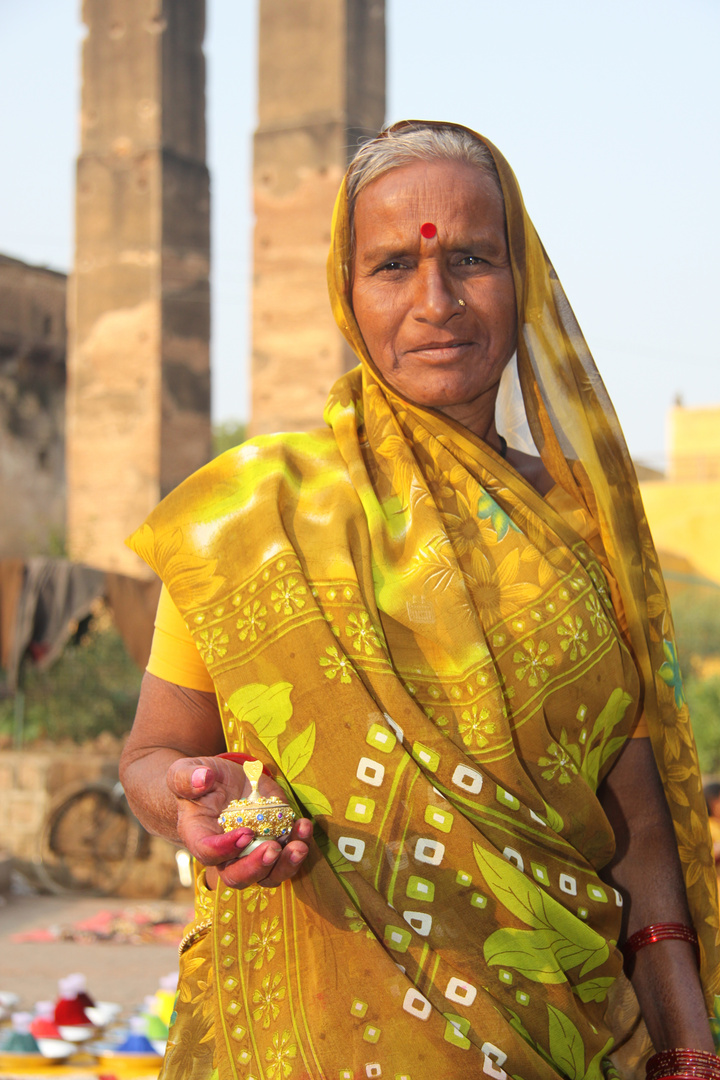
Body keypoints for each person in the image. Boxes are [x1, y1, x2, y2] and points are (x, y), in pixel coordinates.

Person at [120, 121, 720, 1080]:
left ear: (523, 279)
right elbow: (155, 754)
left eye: (473, 260)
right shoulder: (248, 521)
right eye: (393, 265)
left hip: (561, 1037)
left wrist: (689, 1045)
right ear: (346, 293)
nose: (435, 302)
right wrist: (190, 802)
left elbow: (639, 828)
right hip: (307, 1042)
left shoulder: (582, 525)